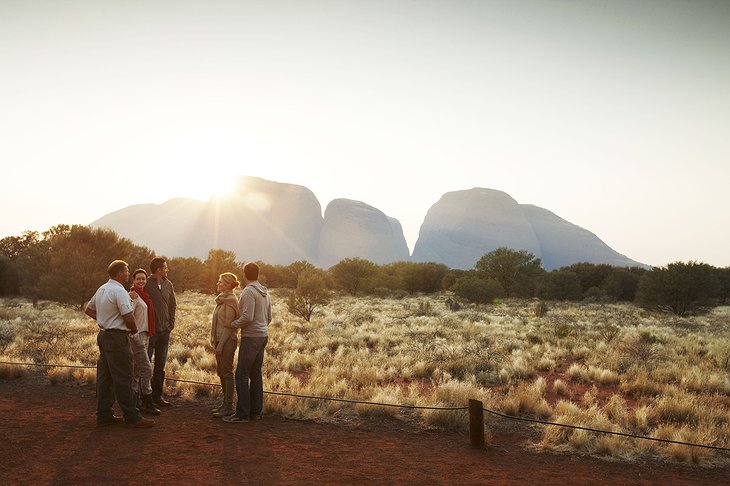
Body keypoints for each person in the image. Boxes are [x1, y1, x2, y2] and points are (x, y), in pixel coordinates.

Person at [84, 260, 154, 428]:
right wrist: (134, 331)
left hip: (104, 335)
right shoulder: (119, 291)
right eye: (127, 271)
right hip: (117, 338)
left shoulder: (102, 289)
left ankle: (104, 414)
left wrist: (104, 321)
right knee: (124, 376)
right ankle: (132, 417)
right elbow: (128, 316)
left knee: (105, 377)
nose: (129, 274)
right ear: (120, 273)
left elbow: (89, 309)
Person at [223, 262, 272, 423]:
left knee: (241, 374)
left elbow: (247, 317)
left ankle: (242, 414)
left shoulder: (248, 292)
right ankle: (256, 412)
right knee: (255, 374)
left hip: (251, 337)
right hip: (263, 335)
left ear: (244, 275)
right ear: (257, 274)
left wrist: (232, 324)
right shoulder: (265, 292)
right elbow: (269, 317)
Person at [145, 257, 177, 408]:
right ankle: (145, 397)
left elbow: (173, 305)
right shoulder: (146, 284)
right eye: (165, 268)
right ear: (158, 270)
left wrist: (171, 324)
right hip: (151, 332)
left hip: (165, 331)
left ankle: (157, 396)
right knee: (146, 364)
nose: (167, 270)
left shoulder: (168, 284)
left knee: (160, 365)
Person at [129, 268, 160, 415]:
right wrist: (134, 335)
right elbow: (128, 317)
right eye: (138, 279)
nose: (141, 281)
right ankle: (147, 400)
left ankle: (136, 401)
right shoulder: (132, 297)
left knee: (136, 369)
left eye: (143, 279)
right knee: (147, 369)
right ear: (133, 280)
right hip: (137, 336)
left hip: (145, 335)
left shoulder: (144, 296)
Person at [210, 272, 240, 418]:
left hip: (227, 340)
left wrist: (220, 345)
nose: (218, 284)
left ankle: (229, 405)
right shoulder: (222, 299)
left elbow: (229, 326)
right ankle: (225, 403)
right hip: (219, 340)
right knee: (221, 372)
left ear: (228, 285)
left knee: (227, 372)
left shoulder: (231, 300)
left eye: (220, 282)